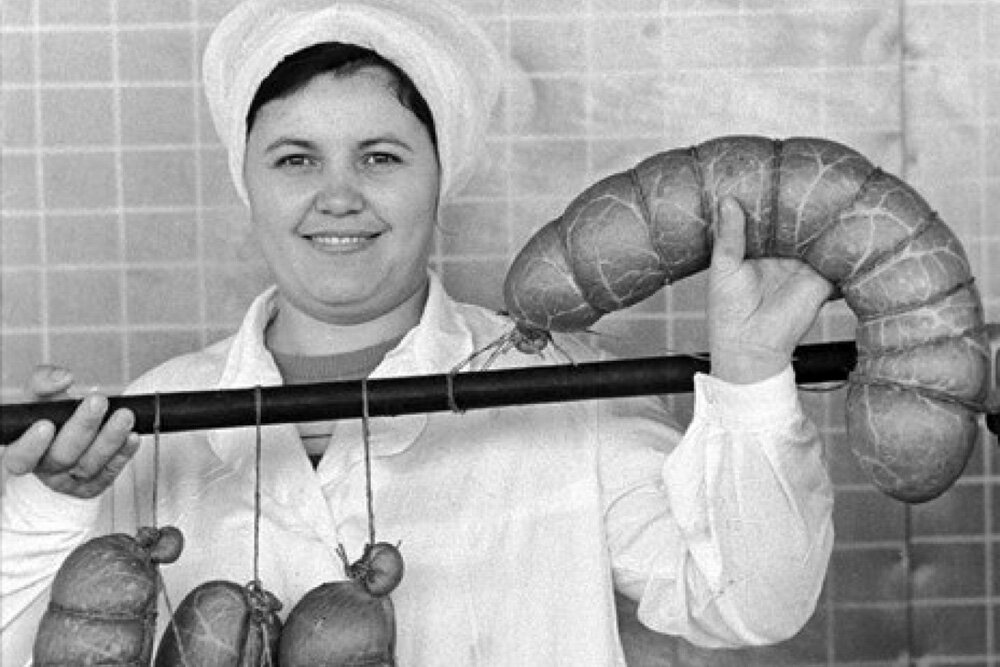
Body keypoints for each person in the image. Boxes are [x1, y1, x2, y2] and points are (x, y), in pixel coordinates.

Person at [0, 0, 835, 664]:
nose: (338, 196)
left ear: (442, 178)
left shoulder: (567, 391)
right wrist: (47, 503)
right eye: (294, 159)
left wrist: (753, 378)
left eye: (381, 157)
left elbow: (752, 602)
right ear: (246, 182)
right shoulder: (149, 418)